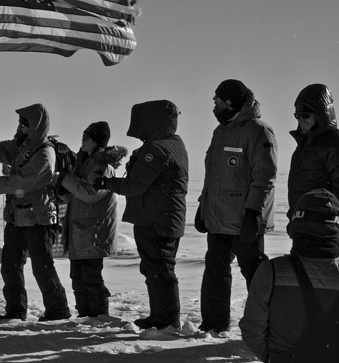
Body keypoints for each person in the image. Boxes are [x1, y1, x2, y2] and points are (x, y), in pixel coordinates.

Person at [240, 189, 339, 363]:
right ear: (338, 228)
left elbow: (252, 329)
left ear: (294, 226)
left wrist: (275, 359)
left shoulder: (271, 271)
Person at [94, 102, 188, 329]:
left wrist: (106, 182)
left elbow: (134, 185)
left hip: (156, 218)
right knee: (156, 268)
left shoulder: (156, 149)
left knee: (159, 269)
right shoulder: (172, 144)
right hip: (161, 216)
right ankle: (161, 317)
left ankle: (166, 320)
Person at [195, 79, 278, 334]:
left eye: (218, 101)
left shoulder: (258, 131)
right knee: (215, 274)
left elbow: (265, 177)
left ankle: (270, 324)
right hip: (218, 218)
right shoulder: (220, 132)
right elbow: (214, 176)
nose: (214, 106)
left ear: (230, 103)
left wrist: (253, 213)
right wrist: (202, 207)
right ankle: (214, 325)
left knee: (255, 274)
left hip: (245, 219)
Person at [0, 103, 71, 321]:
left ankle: (59, 312)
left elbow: (25, 181)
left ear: (34, 126)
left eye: (23, 123)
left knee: (42, 267)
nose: (19, 126)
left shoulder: (45, 152)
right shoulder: (21, 146)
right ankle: (15, 310)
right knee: (10, 267)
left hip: (39, 219)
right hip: (17, 218)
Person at [57, 121, 127, 318]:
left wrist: (66, 179)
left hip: (93, 230)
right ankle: (85, 315)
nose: (82, 140)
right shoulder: (86, 163)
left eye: (86, 137)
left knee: (91, 277)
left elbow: (90, 193)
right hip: (81, 229)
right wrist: (62, 191)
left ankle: (98, 316)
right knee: (78, 277)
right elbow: (76, 196)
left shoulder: (102, 166)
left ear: (96, 141)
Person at [288, 84, 339, 256]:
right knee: (305, 278)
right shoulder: (304, 146)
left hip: (330, 229)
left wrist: (336, 225)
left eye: (305, 115)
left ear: (321, 114)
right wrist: (293, 218)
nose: (300, 120)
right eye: (297, 115)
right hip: (305, 225)